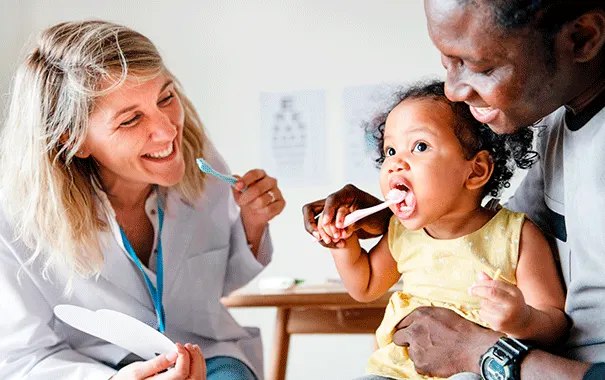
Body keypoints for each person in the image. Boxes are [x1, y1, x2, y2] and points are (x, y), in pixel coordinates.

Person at [303, 1, 605, 379]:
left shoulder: (518, 235)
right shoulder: (558, 125)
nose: (454, 90)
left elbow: (522, 261)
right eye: (390, 152)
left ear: (582, 38)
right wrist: (376, 223)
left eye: (480, 67)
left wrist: (485, 349)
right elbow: (478, 219)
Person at [0, 20, 285, 380]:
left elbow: (220, 281)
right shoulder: (13, 221)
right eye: (131, 119)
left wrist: (252, 224)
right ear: (72, 139)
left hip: (210, 357)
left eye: (166, 98)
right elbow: (22, 360)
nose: (168, 131)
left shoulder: (202, 166)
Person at [316, 80, 567, 380]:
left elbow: (555, 322)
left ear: (475, 171)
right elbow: (365, 285)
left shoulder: (516, 235)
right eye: (390, 151)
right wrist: (344, 244)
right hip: (399, 370)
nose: (395, 163)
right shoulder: (403, 232)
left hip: (474, 368)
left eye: (420, 146)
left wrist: (522, 320)